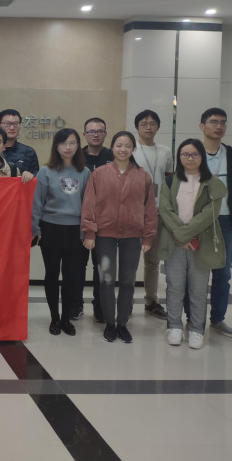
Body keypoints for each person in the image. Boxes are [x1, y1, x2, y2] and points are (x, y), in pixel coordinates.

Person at [81, 131, 157, 344]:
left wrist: (148, 236)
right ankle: (110, 322)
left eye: (127, 146)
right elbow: (89, 204)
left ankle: (122, 322)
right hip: (104, 236)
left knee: (127, 281)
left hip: (132, 236)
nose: (123, 149)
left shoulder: (143, 176)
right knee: (106, 279)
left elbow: (150, 209)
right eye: (119, 145)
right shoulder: (99, 174)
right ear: (112, 148)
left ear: (133, 149)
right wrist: (89, 232)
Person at [158, 139, 226, 350]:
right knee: (175, 287)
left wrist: (186, 234)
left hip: (200, 243)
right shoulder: (170, 181)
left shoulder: (212, 182)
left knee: (198, 289)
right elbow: (165, 210)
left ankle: (196, 329)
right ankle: (174, 326)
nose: (189, 158)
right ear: (179, 157)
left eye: (194, 154)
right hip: (175, 243)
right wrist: (181, 235)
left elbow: (210, 213)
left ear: (202, 157)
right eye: (185, 154)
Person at [185, 107, 232, 338]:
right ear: (202, 126)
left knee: (223, 273)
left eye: (223, 122)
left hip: (225, 221)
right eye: (213, 122)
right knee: (194, 273)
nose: (219, 126)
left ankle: (218, 319)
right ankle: (192, 319)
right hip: (197, 221)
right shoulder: (191, 152)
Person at [32, 129, 91, 337]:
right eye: (63, 143)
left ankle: (66, 318)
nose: (68, 147)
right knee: (51, 275)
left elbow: (88, 204)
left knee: (71, 277)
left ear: (78, 146)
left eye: (72, 143)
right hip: (50, 228)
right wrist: (36, 229)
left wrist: (86, 231)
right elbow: (37, 203)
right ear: (56, 146)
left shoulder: (85, 172)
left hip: (75, 230)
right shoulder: (45, 171)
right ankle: (54, 318)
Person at [133, 109, 173, 320]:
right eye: (143, 123)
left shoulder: (165, 151)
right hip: (133, 213)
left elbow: (169, 181)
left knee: (153, 261)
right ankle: (126, 302)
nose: (148, 127)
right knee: (130, 261)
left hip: (156, 212)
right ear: (137, 127)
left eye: (152, 123)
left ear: (158, 127)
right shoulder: (130, 149)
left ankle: (151, 302)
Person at [76, 117, 114, 323]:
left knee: (101, 267)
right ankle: (76, 305)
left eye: (100, 131)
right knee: (77, 265)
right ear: (84, 135)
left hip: (106, 222)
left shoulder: (114, 156)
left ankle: (100, 307)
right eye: (91, 131)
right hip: (78, 220)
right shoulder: (75, 156)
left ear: (106, 134)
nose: (96, 135)